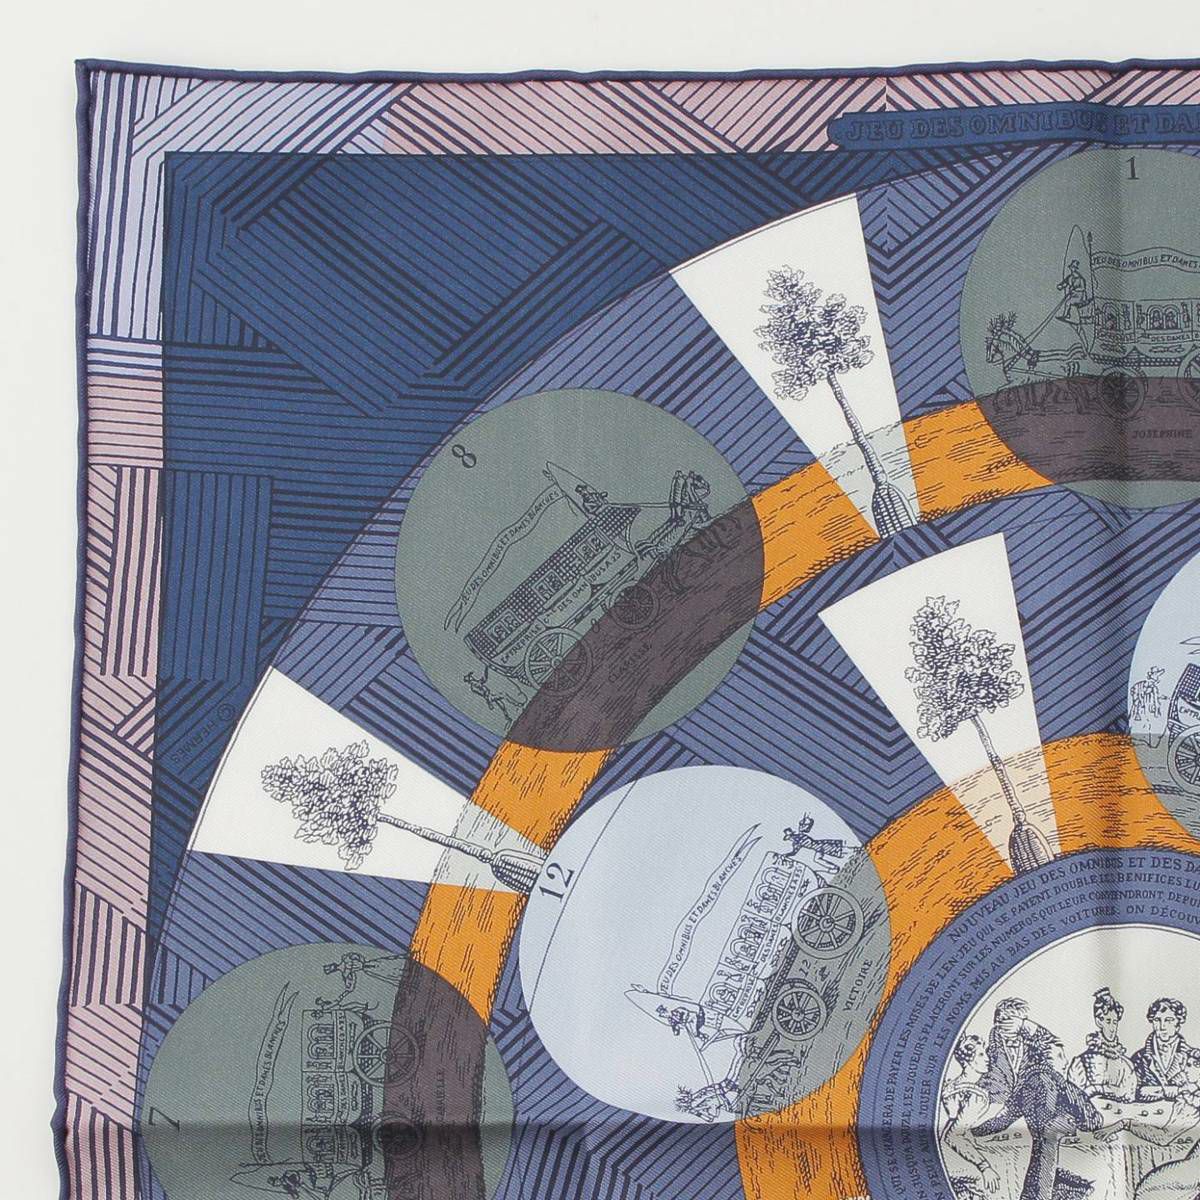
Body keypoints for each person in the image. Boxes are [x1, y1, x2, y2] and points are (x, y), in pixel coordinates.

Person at [973, 1034, 1103, 1200]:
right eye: (1060, 1056)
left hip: (1039, 1143)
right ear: (1045, 1059)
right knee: (1044, 1178)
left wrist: (974, 1131)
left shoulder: (1026, 1084)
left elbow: (1003, 1119)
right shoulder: (1060, 1083)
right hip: (1051, 1143)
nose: (1065, 1061)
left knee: (1037, 1177)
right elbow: (1093, 1120)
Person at [1106, 1060, 1200, 1199]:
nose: (1184, 1070)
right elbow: (1142, 1092)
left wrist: (1127, 1124)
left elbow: (1164, 1137)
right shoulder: (1188, 1097)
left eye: (1191, 1065)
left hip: (1189, 1176)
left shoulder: (1190, 1100)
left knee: (1148, 1191)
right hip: (1186, 1175)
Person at [940, 1034, 1002, 1197]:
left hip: (948, 1154)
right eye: (981, 1054)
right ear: (967, 1060)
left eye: (985, 1053)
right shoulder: (976, 1096)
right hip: (959, 1159)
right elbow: (953, 1136)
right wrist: (985, 1167)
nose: (987, 1058)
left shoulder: (952, 1085)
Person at [1067, 987, 1137, 1102]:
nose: (1112, 1028)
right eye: (1108, 1021)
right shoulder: (1082, 1062)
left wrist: (1098, 1089)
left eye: (1115, 1022)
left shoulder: (1126, 1065)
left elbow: (1129, 1095)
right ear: (1099, 1021)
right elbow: (1074, 1097)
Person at [981, 998, 1053, 1105]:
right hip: (995, 1105)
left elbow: (1051, 1045)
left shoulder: (1033, 1051)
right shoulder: (989, 1052)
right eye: (999, 1019)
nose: (1001, 1022)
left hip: (1027, 1106)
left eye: (1007, 1018)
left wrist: (1026, 1025)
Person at [1133, 999, 1200, 1101]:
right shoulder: (1139, 1058)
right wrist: (1169, 1090)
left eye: (1169, 1020)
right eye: (1157, 1020)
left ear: (1178, 1023)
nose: (1162, 1026)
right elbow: (1133, 1090)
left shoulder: (1193, 1057)